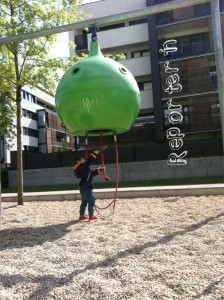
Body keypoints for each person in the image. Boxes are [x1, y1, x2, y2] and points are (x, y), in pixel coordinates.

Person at [73, 150, 104, 221]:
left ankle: (82, 215)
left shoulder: (82, 168)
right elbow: (89, 161)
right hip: (87, 187)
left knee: (84, 202)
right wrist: (94, 154)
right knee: (91, 201)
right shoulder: (83, 166)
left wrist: (98, 170)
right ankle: (91, 215)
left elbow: (90, 174)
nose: (84, 159)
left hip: (82, 187)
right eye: (83, 159)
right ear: (78, 161)